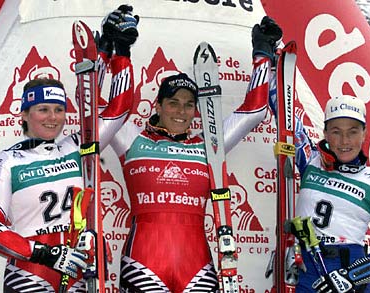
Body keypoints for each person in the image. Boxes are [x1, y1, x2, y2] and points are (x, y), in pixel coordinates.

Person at [98, 9, 283, 292]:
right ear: (157, 106)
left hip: (196, 267)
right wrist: (115, 51)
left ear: (197, 110)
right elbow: (96, 106)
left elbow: (253, 112)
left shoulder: (208, 146)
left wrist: (262, 52)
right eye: (173, 102)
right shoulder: (132, 140)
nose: (181, 110)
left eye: (188, 104)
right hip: (142, 264)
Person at [0, 6, 139, 292]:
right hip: (30, 273)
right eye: (42, 110)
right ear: (25, 114)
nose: (52, 117)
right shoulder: (7, 162)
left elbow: (117, 108)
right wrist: (43, 253)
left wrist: (117, 52)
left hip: (81, 269)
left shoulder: (80, 145)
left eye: (58, 110)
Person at [289, 95, 370, 292]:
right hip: (309, 269)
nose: (344, 141)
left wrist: (352, 276)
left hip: (352, 270)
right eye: (336, 132)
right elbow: (283, 105)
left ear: (364, 133)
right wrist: (270, 67)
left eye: (353, 132)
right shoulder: (310, 160)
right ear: (325, 132)